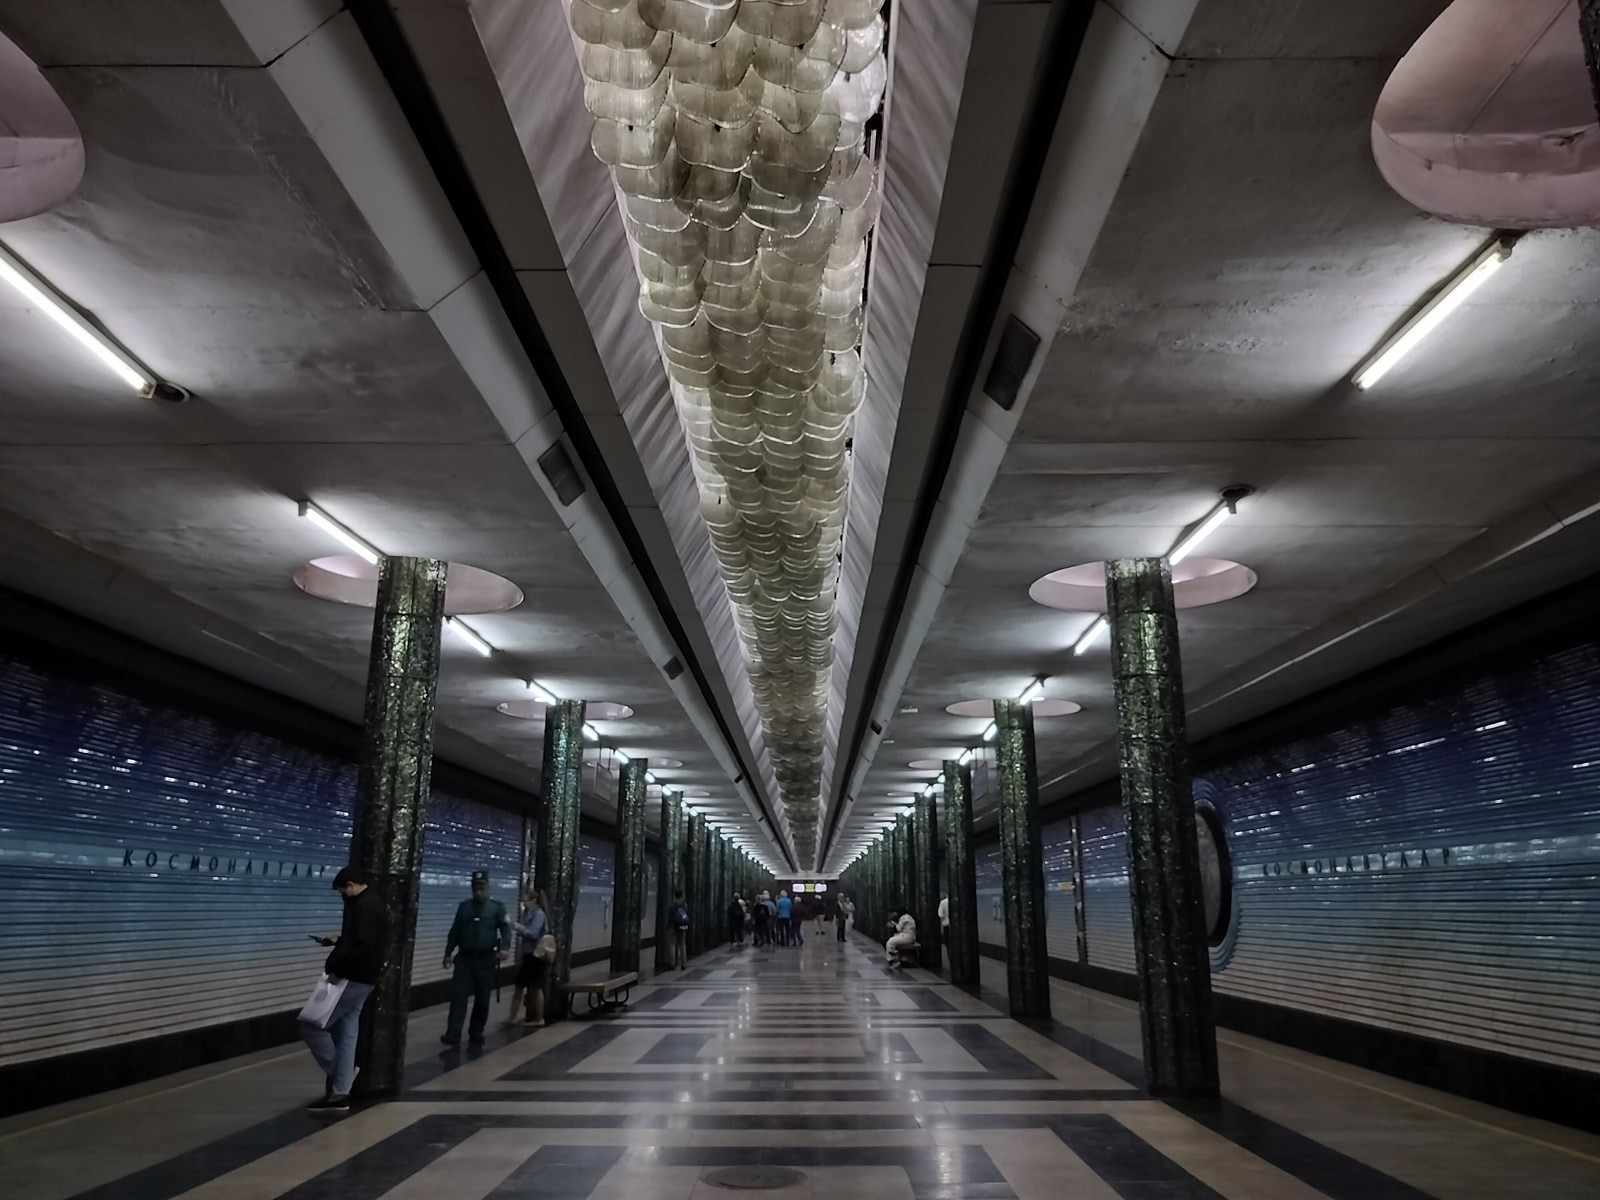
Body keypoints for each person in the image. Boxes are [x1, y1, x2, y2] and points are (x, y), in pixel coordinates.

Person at [302, 866, 384, 1113]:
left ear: (350, 885)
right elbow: (360, 939)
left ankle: (344, 1076)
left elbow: (363, 945)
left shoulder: (363, 906)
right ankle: (340, 1095)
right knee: (347, 1032)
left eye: (342, 891)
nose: (342, 896)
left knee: (312, 1025)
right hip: (364, 978)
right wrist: (337, 941)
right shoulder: (373, 903)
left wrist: (339, 965)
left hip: (352, 978)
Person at [441, 871, 512, 1046]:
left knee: (482, 998)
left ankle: (476, 1030)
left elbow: (506, 930)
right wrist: (448, 953)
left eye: (481, 887)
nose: (478, 891)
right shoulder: (464, 907)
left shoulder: (497, 908)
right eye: (475, 888)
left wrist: (505, 948)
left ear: (488, 887)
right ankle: (454, 1032)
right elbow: (455, 932)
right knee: (458, 997)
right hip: (465, 959)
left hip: (485, 959)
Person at [506, 888, 551, 1028]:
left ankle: (536, 1018)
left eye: (526, 901)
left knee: (530, 987)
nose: (524, 904)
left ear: (534, 901)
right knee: (530, 987)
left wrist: (516, 926)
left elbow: (532, 934)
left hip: (535, 956)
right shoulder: (531, 914)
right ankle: (516, 1017)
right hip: (530, 955)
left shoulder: (538, 914)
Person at [669, 889, 690, 968]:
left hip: (673, 926)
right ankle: (683, 963)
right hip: (682, 925)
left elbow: (669, 916)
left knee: (672, 944)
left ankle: (672, 963)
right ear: (682, 895)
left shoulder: (672, 905)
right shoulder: (685, 905)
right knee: (682, 943)